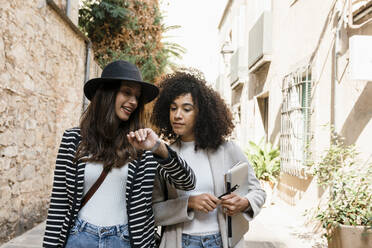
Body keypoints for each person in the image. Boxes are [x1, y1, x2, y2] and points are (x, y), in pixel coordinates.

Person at [43, 60, 196, 248]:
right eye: (127, 92)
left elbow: (187, 182)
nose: (133, 101)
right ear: (108, 93)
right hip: (79, 238)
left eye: (137, 97)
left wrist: (159, 148)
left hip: (125, 240)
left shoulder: (143, 145)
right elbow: (59, 203)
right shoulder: (73, 139)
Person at [151, 70, 266, 248]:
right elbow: (155, 211)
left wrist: (244, 203)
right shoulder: (165, 156)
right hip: (181, 242)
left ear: (202, 113)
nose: (177, 115)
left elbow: (258, 192)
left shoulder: (227, 150)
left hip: (221, 241)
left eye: (186, 109)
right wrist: (189, 203)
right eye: (173, 108)